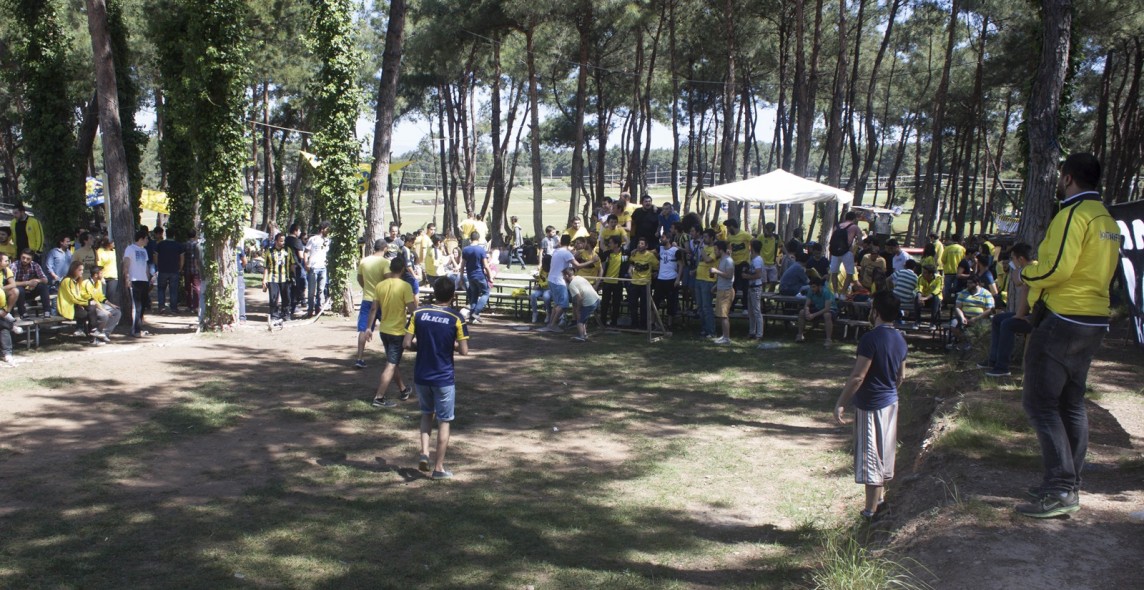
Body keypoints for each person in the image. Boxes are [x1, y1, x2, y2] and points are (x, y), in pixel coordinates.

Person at [1016, 153, 1121, 518]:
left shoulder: (1073, 214)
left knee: (1039, 403)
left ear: (1068, 178)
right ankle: (1067, 484)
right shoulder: (1106, 219)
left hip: (1063, 317)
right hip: (1093, 318)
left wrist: (1026, 274)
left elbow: (1058, 268)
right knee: (1070, 403)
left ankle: (1061, 488)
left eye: (1062, 176)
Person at [834, 290, 908, 519]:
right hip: (890, 402)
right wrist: (889, 390)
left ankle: (870, 513)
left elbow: (858, 376)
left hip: (870, 404)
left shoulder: (870, 338)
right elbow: (901, 376)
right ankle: (881, 501)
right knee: (883, 453)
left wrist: (841, 403)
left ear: (875, 311)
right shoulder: (900, 338)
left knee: (871, 457)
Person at [406, 278, 470, 480]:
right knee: (444, 421)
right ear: (452, 296)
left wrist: (423, 345)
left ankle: (424, 453)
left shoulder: (418, 313)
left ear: (434, 292)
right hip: (443, 377)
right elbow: (464, 351)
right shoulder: (456, 318)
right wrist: (451, 345)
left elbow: (407, 343)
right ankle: (439, 468)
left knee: (427, 414)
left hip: (421, 375)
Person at [367, 256, 417, 408]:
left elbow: (374, 309)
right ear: (403, 270)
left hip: (384, 330)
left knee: (392, 362)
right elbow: (412, 310)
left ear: (390, 269)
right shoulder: (405, 286)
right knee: (391, 364)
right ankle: (379, 397)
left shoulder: (380, 285)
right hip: (397, 332)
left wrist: (369, 328)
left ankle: (403, 389)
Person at [979, 243, 1034, 378]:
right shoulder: (1026, 268)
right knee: (998, 319)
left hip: (1037, 316)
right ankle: (993, 359)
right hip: (1031, 313)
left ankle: (1002, 367)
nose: (1010, 262)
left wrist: (1019, 315)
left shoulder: (1031, 269)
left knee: (1007, 324)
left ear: (1020, 259)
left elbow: (1022, 288)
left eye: (1012, 258)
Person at [355, 239, 389, 369]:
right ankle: (390, 357)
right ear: (385, 249)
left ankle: (359, 358)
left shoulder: (364, 261)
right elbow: (389, 280)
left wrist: (366, 288)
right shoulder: (385, 262)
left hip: (367, 299)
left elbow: (359, 278)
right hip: (382, 300)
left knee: (363, 328)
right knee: (388, 326)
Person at [57, 261, 105, 346]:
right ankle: (92, 334)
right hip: (67, 308)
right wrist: (87, 302)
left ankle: (92, 333)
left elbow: (78, 296)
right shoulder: (67, 281)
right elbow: (73, 298)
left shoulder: (76, 281)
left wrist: (84, 304)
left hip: (75, 306)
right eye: (80, 270)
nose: (82, 272)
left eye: (82, 270)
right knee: (90, 311)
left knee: (91, 308)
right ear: (73, 270)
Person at [538, 235, 575, 333]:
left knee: (557, 304)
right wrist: (592, 261)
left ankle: (550, 324)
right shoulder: (567, 253)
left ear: (561, 242)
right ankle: (553, 325)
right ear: (569, 243)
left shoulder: (556, 251)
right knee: (564, 305)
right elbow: (577, 265)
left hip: (551, 279)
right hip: (559, 281)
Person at [950, 274, 994, 349]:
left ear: (977, 283)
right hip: (965, 317)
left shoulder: (986, 294)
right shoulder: (963, 293)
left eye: (970, 283)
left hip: (980, 318)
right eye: (967, 283)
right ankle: (966, 341)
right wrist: (962, 317)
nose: (968, 285)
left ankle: (974, 344)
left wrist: (976, 319)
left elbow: (990, 309)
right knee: (953, 324)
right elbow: (957, 307)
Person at [122, 229, 151, 337]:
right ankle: (135, 330)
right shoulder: (130, 249)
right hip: (134, 280)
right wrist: (127, 278)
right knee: (137, 306)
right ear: (141, 239)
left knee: (143, 306)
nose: (147, 240)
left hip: (144, 280)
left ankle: (138, 328)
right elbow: (126, 264)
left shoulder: (144, 251)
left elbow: (146, 266)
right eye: (146, 238)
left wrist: (148, 278)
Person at [626, 236, 658, 330]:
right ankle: (634, 324)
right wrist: (630, 272)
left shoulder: (650, 255)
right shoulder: (634, 254)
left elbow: (657, 266)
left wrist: (655, 273)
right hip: (634, 283)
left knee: (644, 306)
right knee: (633, 305)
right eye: (639, 243)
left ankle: (644, 325)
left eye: (642, 244)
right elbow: (631, 263)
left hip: (645, 284)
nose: (639, 245)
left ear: (646, 246)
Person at [262, 233, 294, 325]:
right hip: (272, 278)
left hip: (285, 278)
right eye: (281, 241)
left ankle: (286, 314)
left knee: (286, 297)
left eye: (284, 240)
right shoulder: (269, 251)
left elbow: (292, 264)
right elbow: (266, 266)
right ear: (276, 241)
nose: (283, 242)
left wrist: (293, 276)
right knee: (273, 298)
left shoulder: (288, 250)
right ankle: (274, 315)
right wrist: (264, 280)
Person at [461, 232, 492, 324]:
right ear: (478, 239)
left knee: (474, 295)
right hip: (480, 275)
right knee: (486, 293)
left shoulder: (465, 250)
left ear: (470, 239)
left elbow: (462, 265)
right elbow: (486, 265)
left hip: (470, 276)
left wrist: (461, 275)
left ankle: (471, 317)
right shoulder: (481, 250)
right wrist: (490, 277)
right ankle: (476, 312)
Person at [11, 249, 52, 318]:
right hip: (18, 293)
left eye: (28, 259)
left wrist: (36, 281)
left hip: (31, 290)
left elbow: (45, 280)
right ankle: (23, 313)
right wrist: (27, 283)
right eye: (23, 258)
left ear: (31, 259)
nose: (25, 260)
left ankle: (47, 311)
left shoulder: (35, 265)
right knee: (19, 289)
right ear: (20, 256)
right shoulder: (14, 265)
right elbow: (11, 283)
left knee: (43, 286)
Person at [653, 233, 683, 328]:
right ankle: (654, 322)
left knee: (671, 302)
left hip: (671, 278)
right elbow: (650, 252)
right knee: (656, 300)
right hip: (660, 279)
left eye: (663, 237)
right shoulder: (660, 248)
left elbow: (681, 265)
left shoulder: (675, 250)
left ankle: (669, 324)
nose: (661, 239)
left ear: (669, 239)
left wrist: (678, 279)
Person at [828, 212, 862, 294]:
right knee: (850, 273)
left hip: (835, 252)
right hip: (847, 252)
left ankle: (835, 292)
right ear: (854, 218)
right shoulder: (854, 227)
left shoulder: (838, 226)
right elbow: (860, 241)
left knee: (834, 272)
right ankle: (843, 293)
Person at [564, 266, 600, 342]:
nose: (563, 278)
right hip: (596, 299)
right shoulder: (579, 277)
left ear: (567, 275)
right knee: (584, 318)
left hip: (589, 303)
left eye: (563, 276)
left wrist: (577, 309)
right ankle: (585, 334)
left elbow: (579, 298)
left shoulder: (572, 285)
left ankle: (581, 337)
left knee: (580, 321)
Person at [797, 276, 836, 346]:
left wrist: (813, 315)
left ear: (819, 286)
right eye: (811, 287)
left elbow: (827, 308)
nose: (812, 289)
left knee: (827, 315)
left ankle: (828, 339)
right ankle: (800, 335)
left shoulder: (826, 292)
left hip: (831, 309)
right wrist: (807, 311)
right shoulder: (810, 291)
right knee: (802, 312)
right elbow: (807, 304)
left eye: (814, 287)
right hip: (818, 308)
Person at [694, 228, 718, 338]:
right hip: (699, 278)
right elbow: (701, 261)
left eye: (706, 237)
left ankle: (711, 331)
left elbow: (708, 260)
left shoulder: (715, 249)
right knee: (700, 306)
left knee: (706, 307)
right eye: (703, 237)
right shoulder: (703, 248)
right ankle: (704, 329)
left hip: (708, 280)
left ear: (712, 238)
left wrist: (701, 248)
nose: (703, 239)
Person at [710, 240, 735, 345]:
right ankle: (724, 335)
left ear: (721, 250)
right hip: (721, 289)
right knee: (721, 315)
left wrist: (716, 271)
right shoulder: (722, 260)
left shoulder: (728, 261)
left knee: (724, 316)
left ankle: (727, 339)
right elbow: (723, 276)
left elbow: (729, 275)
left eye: (716, 250)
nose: (714, 252)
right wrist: (715, 286)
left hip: (726, 291)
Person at [155, 228, 184, 313]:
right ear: (174, 235)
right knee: (173, 290)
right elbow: (182, 257)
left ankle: (161, 307)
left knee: (161, 289)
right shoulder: (178, 245)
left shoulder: (160, 244)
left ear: (166, 234)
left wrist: (158, 265)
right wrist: (180, 267)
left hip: (162, 269)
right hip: (174, 270)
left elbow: (155, 256)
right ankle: (173, 308)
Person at [305, 221, 331, 316]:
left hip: (323, 267)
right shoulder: (313, 239)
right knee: (311, 291)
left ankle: (318, 309)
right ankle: (310, 310)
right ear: (322, 229)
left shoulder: (327, 240)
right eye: (327, 229)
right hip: (313, 267)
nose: (328, 231)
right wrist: (306, 263)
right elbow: (306, 251)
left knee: (321, 289)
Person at [598, 236, 625, 327]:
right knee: (605, 303)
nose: (609, 244)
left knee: (616, 303)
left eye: (611, 243)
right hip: (607, 282)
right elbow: (600, 261)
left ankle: (614, 322)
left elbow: (627, 263)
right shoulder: (607, 254)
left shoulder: (624, 254)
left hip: (618, 283)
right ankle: (603, 322)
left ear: (616, 244)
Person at [743, 240, 766, 339]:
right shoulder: (753, 259)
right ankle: (752, 331)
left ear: (752, 247)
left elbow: (758, 274)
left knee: (756, 311)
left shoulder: (757, 260)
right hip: (751, 287)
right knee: (751, 311)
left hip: (756, 288)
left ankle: (759, 333)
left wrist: (746, 276)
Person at [756, 222, 782, 293]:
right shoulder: (761, 237)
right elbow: (755, 244)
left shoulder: (776, 237)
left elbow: (781, 246)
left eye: (770, 231)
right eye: (767, 231)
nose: (768, 233)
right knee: (763, 282)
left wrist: (788, 255)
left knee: (774, 281)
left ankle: (769, 296)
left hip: (772, 263)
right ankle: (762, 296)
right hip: (763, 263)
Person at [940, 234, 966, 302]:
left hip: (948, 271)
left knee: (947, 288)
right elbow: (964, 260)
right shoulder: (962, 249)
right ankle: (956, 302)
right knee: (957, 288)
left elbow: (943, 260)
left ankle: (946, 302)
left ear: (952, 239)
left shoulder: (947, 248)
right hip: (959, 272)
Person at [182, 231, 203, 312]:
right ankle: (196, 306)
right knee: (196, 287)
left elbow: (182, 256)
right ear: (195, 235)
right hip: (196, 269)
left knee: (187, 288)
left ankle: (189, 305)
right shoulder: (198, 244)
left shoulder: (184, 245)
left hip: (187, 268)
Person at [529, 255, 552, 324]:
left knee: (546, 296)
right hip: (540, 289)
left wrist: (539, 285)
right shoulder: (542, 268)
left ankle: (548, 313)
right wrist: (535, 275)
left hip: (548, 289)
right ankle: (535, 313)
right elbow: (540, 278)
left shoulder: (552, 270)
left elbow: (549, 282)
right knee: (533, 295)